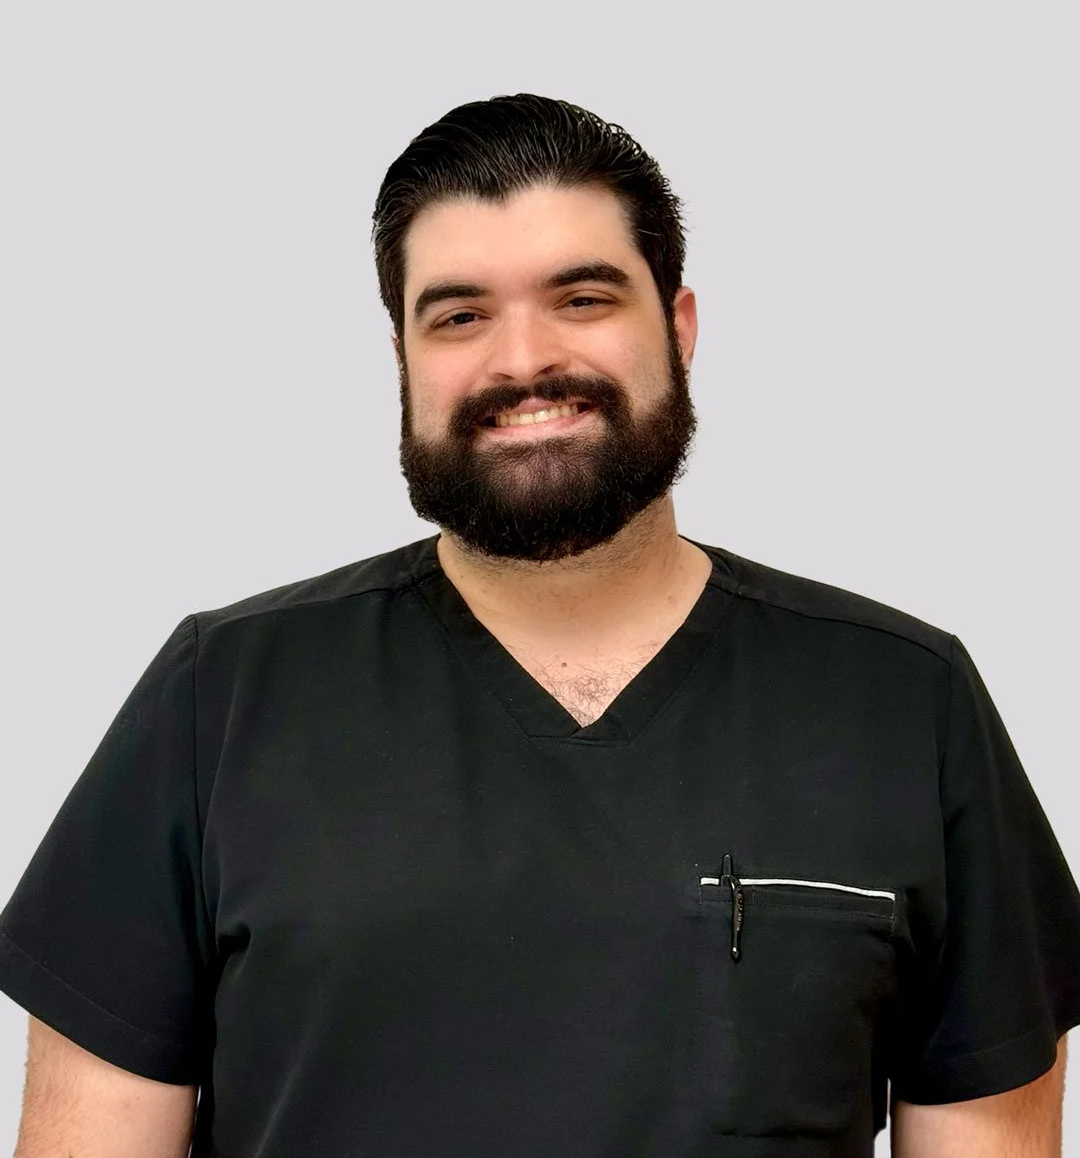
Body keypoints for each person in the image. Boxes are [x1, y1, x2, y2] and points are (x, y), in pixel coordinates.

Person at [1, 93, 1078, 1158]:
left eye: (582, 297)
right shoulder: (220, 698)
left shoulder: (904, 703)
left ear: (680, 327)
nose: (523, 363)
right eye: (461, 315)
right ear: (403, 360)